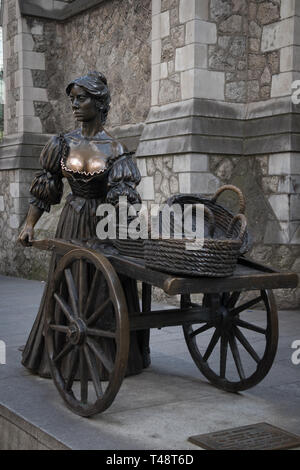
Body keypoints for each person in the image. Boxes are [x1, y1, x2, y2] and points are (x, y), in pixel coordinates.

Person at [18, 71, 150, 378]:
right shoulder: (62, 144)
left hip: (104, 225)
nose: (75, 105)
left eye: (83, 98)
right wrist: (29, 225)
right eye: (73, 99)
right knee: (67, 286)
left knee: (105, 287)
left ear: (100, 102)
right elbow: (46, 189)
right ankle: (62, 355)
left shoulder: (115, 149)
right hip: (72, 221)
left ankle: (109, 357)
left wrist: (129, 226)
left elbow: (124, 198)